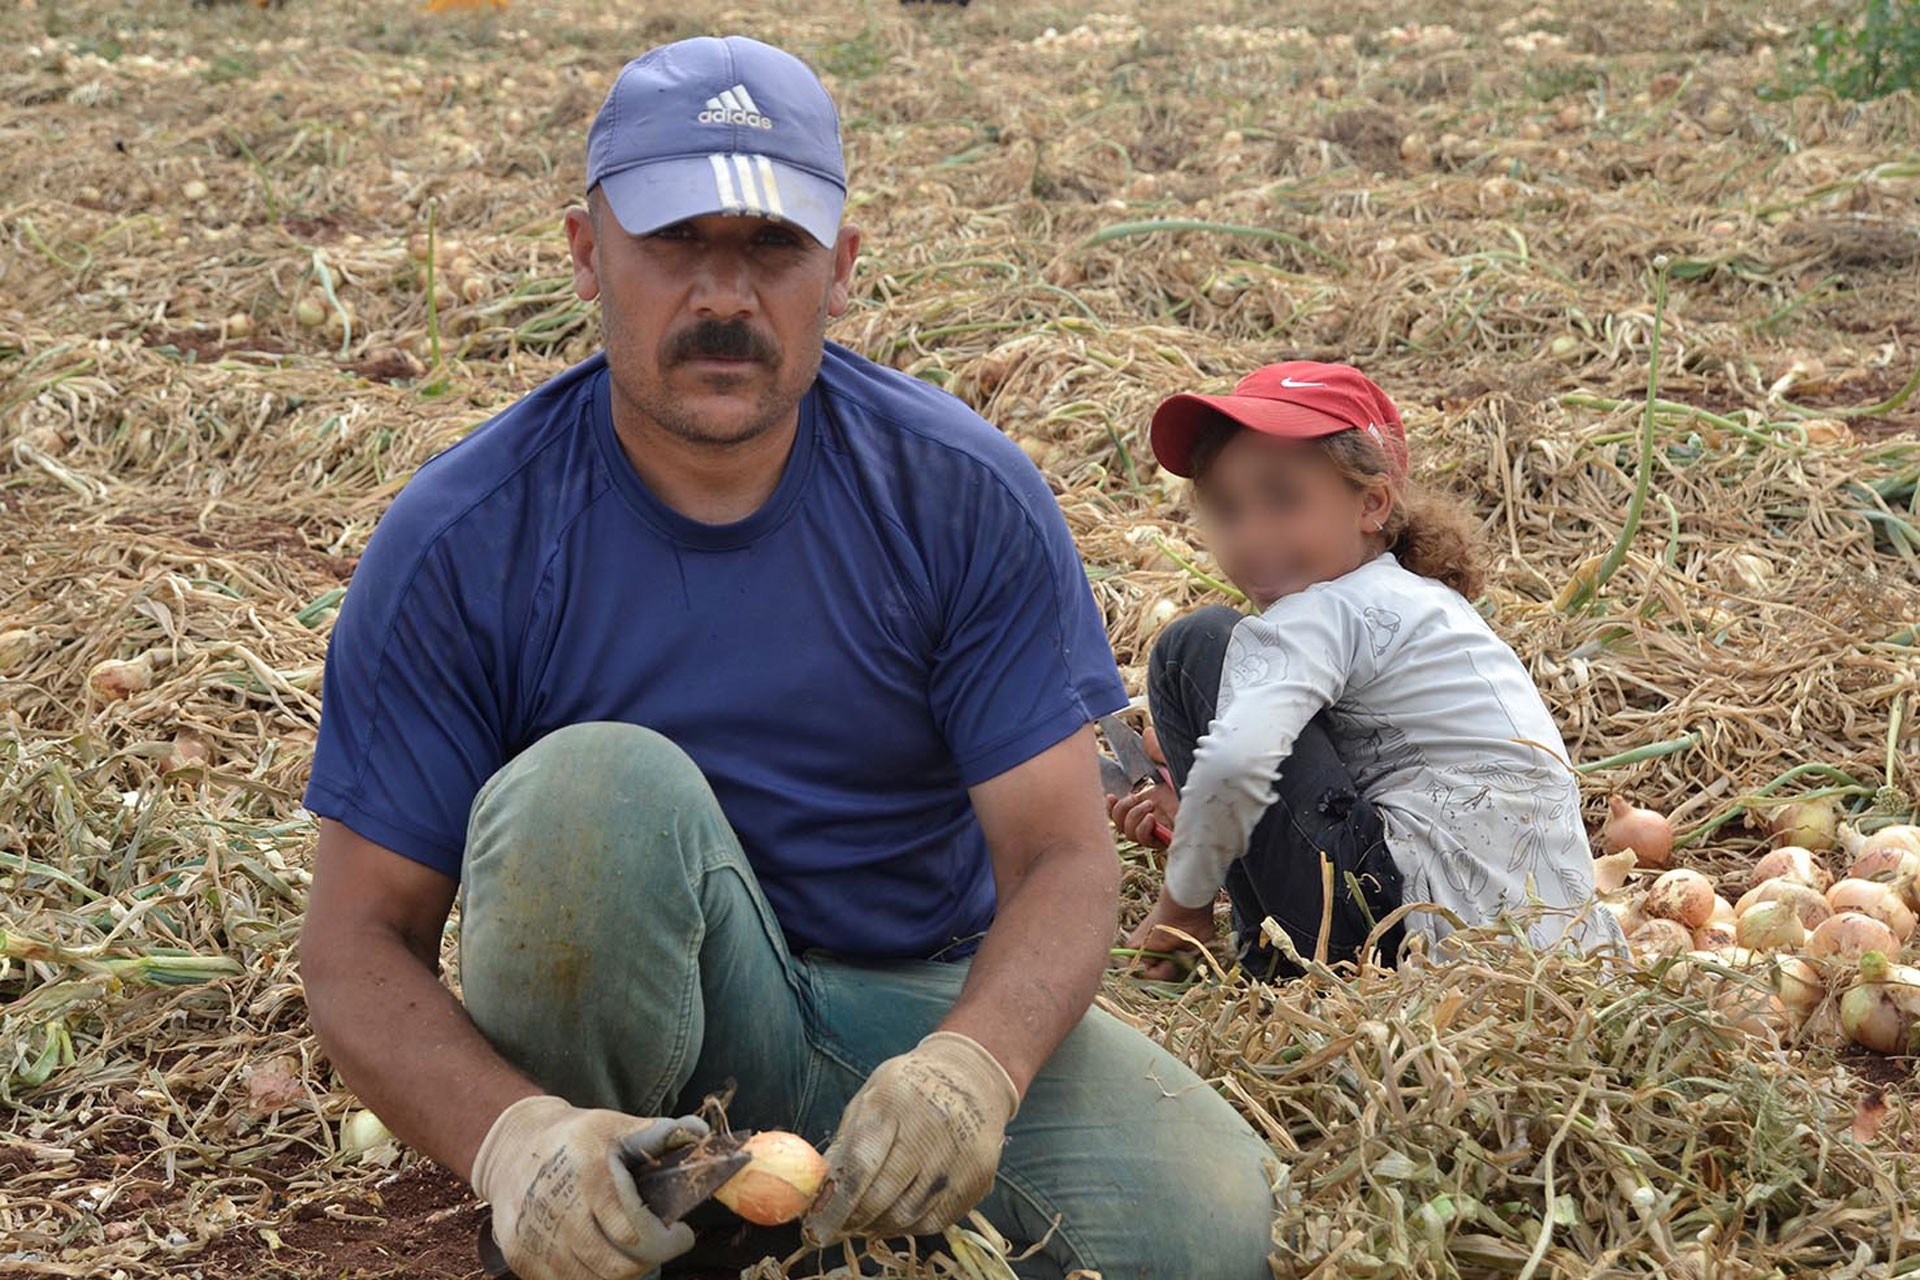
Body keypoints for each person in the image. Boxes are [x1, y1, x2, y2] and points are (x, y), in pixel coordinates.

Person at [297, 33, 1276, 1280]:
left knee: (1199, 1223)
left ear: (842, 268)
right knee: (588, 792)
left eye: (770, 249)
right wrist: (512, 1138)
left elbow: (1062, 855)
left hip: (895, 1016)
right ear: (588, 253)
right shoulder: (464, 539)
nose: (723, 298)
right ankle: (603, 1214)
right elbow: (356, 940)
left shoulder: (959, 494)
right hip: (620, 1052)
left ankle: (803, 1209)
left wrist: (975, 1067)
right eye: (673, 244)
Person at [1109, 361, 1614, 980]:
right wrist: (1192, 807)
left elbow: (1238, 764)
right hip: (1529, 956)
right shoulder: (1419, 601)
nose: (1252, 536)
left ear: (1371, 503)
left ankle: (1276, 964)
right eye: (1228, 510)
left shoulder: (1323, 612)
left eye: (1283, 498)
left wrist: (1180, 909)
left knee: (1196, 645)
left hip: (1404, 934)